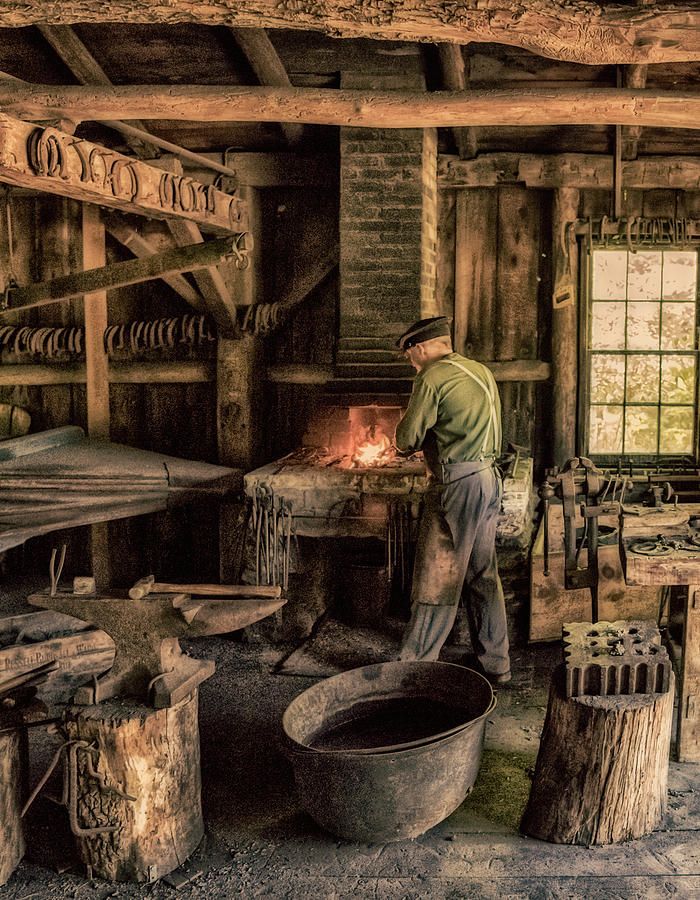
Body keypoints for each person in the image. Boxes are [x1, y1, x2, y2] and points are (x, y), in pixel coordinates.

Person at [394, 315, 511, 684]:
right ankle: (497, 663)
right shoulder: (479, 371)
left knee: (437, 574)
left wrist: (399, 437)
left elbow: (407, 439)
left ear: (422, 347)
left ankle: (414, 669)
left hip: (457, 485)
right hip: (489, 480)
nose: (412, 363)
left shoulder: (431, 376)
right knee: (482, 574)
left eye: (410, 355)